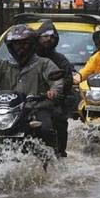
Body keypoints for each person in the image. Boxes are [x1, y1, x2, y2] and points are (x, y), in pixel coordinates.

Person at [0, 24, 63, 149]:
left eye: (24, 43)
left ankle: (51, 160)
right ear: (11, 46)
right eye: (16, 44)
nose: (20, 47)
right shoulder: (1, 65)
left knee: (45, 130)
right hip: (5, 111)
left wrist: (53, 90)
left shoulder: (44, 63)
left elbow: (57, 81)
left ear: (32, 45)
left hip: (35, 108)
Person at [36, 19, 75, 157]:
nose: (49, 39)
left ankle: (59, 152)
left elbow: (67, 80)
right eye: (45, 36)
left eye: (52, 36)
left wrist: (55, 93)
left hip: (50, 101)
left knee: (59, 118)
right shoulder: (28, 57)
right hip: (25, 100)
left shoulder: (60, 59)